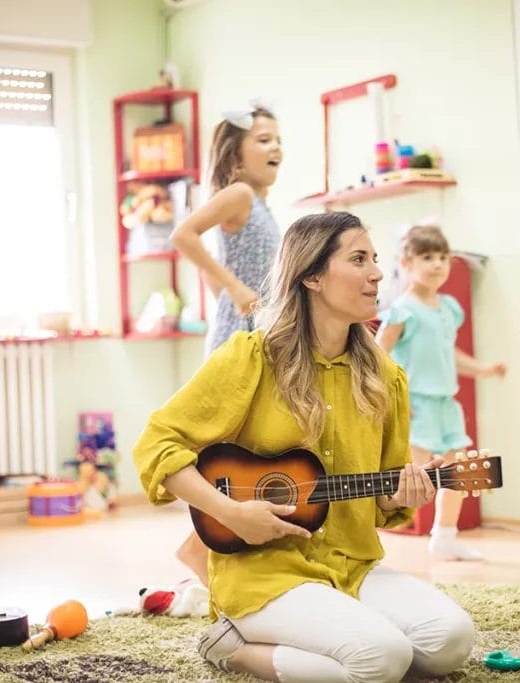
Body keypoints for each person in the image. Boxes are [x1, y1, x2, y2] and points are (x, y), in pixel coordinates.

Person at [134, 212, 475, 681]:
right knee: (384, 657)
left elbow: (382, 498)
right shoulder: (250, 359)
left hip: (352, 567)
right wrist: (230, 513)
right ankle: (233, 649)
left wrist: (401, 494)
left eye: (375, 259)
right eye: (358, 259)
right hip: (262, 574)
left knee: (451, 640)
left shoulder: (386, 380)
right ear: (311, 275)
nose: (377, 273)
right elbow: (157, 445)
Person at [168, 101, 282, 585]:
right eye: (263, 139)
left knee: (247, 449)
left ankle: (207, 548)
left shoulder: (260, 204)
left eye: (278, 140)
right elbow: (183, 235)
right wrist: (232, 288)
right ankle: (198, 549)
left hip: (258, 333)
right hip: (239, 338)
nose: (276, 147)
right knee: (232, 445)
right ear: (235, 153)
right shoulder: (238, 193)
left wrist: (227, 289)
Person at [377, 225, 506, 560]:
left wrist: (483, 369)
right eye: (427, 257)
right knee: (421, 479)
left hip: (446, 404)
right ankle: (376, 538)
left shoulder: (448, 307)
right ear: (406, 263)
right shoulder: (402, 310)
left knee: (458, 475)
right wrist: (395, 400)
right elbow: (378, 356)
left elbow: (449, 354)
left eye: (443, 257)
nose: (437, 264)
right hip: (415, 405)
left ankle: (444, 537)